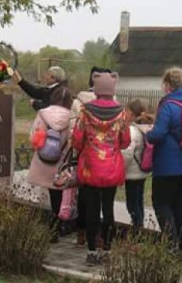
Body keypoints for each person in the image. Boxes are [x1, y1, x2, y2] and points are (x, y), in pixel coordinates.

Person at [71, 71, 131, 265]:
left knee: (92, 210)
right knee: (108, 209)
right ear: (113, 89)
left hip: (90, 167)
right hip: (112, 168)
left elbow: (77, 140)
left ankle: (91, 251)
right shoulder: (121, 112)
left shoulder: (85, 111)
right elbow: (125, 141)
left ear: (96, 89)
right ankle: (107, 250)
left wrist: (88, 147)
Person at [146, 67, 182, 254]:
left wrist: (148, 134)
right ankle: (181, 246)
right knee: (179, 204)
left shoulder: (169, 105)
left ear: (167, 85)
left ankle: (170, 246)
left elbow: (159, 133)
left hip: (168, 164)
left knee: (161, 203)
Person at [70, 66, 112, 246]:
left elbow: (76, 135)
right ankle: (105, 241)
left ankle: (86, 239)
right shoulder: (118, 108)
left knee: (87, 201)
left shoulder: (81, 107)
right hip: (110, 162)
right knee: (107, 204)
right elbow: (124, 140)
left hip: (87, 160)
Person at [26, 87, 73, 243]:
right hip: (61, 161)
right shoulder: (72, 117)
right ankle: (59, 225)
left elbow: (33, 136)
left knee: (50, 193)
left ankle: (52, 227)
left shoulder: (43, 114)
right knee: (58, 193)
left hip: (43, 160)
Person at [121, 99, 153, 231]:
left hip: (132, 173)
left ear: (133, 114)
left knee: (132, 203)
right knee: (139, 200)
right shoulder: (147, 129)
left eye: (126, 111)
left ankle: (137, 227)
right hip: (142, 171)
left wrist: (121, 169)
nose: (124, 113)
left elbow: (127, 153)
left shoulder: (133, 131)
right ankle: (140, 225)